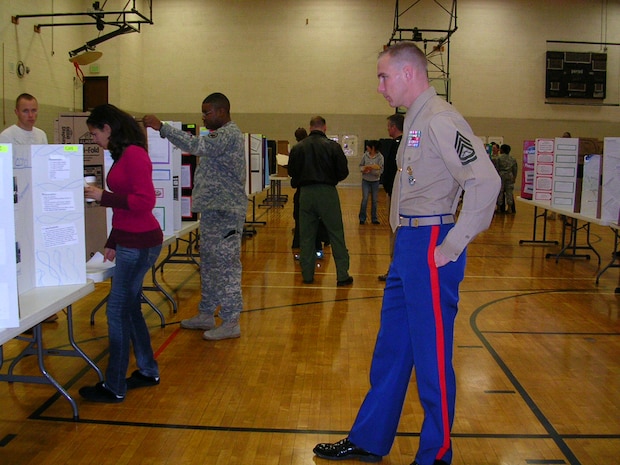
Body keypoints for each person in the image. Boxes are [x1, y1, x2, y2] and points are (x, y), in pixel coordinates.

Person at [313, 42, 500, 465]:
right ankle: (370, 438)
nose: (379, 87)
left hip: (433, 243)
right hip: (410, 246)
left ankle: (436, 454)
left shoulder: (440, 118)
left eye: (383, 77)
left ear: (408, 74)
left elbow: (485, 183)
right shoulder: (415, 122)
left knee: (432, 357)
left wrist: (452, 245)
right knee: (392, 349)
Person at [143, 92, 246, 341]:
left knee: (226, 267)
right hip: (213, 211)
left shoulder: (228, 134)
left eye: (207, 112)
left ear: (221, 112)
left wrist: (162, 128)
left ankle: (231, 321)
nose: (203, 117)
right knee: (210, 265)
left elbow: (196, 146)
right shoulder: (218, 135)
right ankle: (206, 313)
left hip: (226, 213)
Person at [79, 104, 163, 403]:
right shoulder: (124, 154)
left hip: (140, 244)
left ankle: (114, 386)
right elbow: (122, 210)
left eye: (95, 133)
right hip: (131, 240)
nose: (95, 140)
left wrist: (103, 196)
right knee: (129, 308)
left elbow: (144, 202)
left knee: (116, 311)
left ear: (108, 128)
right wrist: (113, 239)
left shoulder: (135, 155)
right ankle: (147, 369)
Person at [287, 116, 353, 286]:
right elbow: (343, 172)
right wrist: (331, 178)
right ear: (324, 127)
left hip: (306, 193)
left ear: (310, 128)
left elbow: (292, 172)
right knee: (336, 233)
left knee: (306, 236)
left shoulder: (298, 148)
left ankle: (307, 275)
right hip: (327, 192)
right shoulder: (333, 147)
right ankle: (342, 275)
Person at [290, 127, 328, 260]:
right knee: (315, 219)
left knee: (304, 221)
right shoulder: (317, 147)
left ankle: (306, 251)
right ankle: (318, 248)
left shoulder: (298, 149)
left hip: (304, 190)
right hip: (320, 190)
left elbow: (292, 172)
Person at [378, 113, 403, 281]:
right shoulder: (399, 145)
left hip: (397, 195)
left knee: (396, 231)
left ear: (394, 127)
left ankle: (395, 271)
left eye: (389, 126)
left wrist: (391, 190)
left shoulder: (399, 146)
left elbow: (394, 171)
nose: (387, 129)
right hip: (395, 193)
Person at [358, 140, 384, 224]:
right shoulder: (365, 155)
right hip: (365, 180)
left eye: (368, 146)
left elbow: (381, 169)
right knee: (365, 199)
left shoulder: (380, 157)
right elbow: (361, 166)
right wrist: (364, 170)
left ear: (372, 147)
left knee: (374, 200)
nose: (367, 148)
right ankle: (362, 218)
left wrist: (373, 169)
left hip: (375, 181)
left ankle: (374, 218)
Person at [496, 144, 518, 214]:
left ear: (502, 150)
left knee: (500, 192)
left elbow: (497, 168)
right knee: (509, 192)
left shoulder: (498, 158)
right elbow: (515, 169)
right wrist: (514, 177)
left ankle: (499, 208)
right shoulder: (513, 159)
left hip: (501, 176)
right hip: (510, 175)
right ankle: (509, 209)